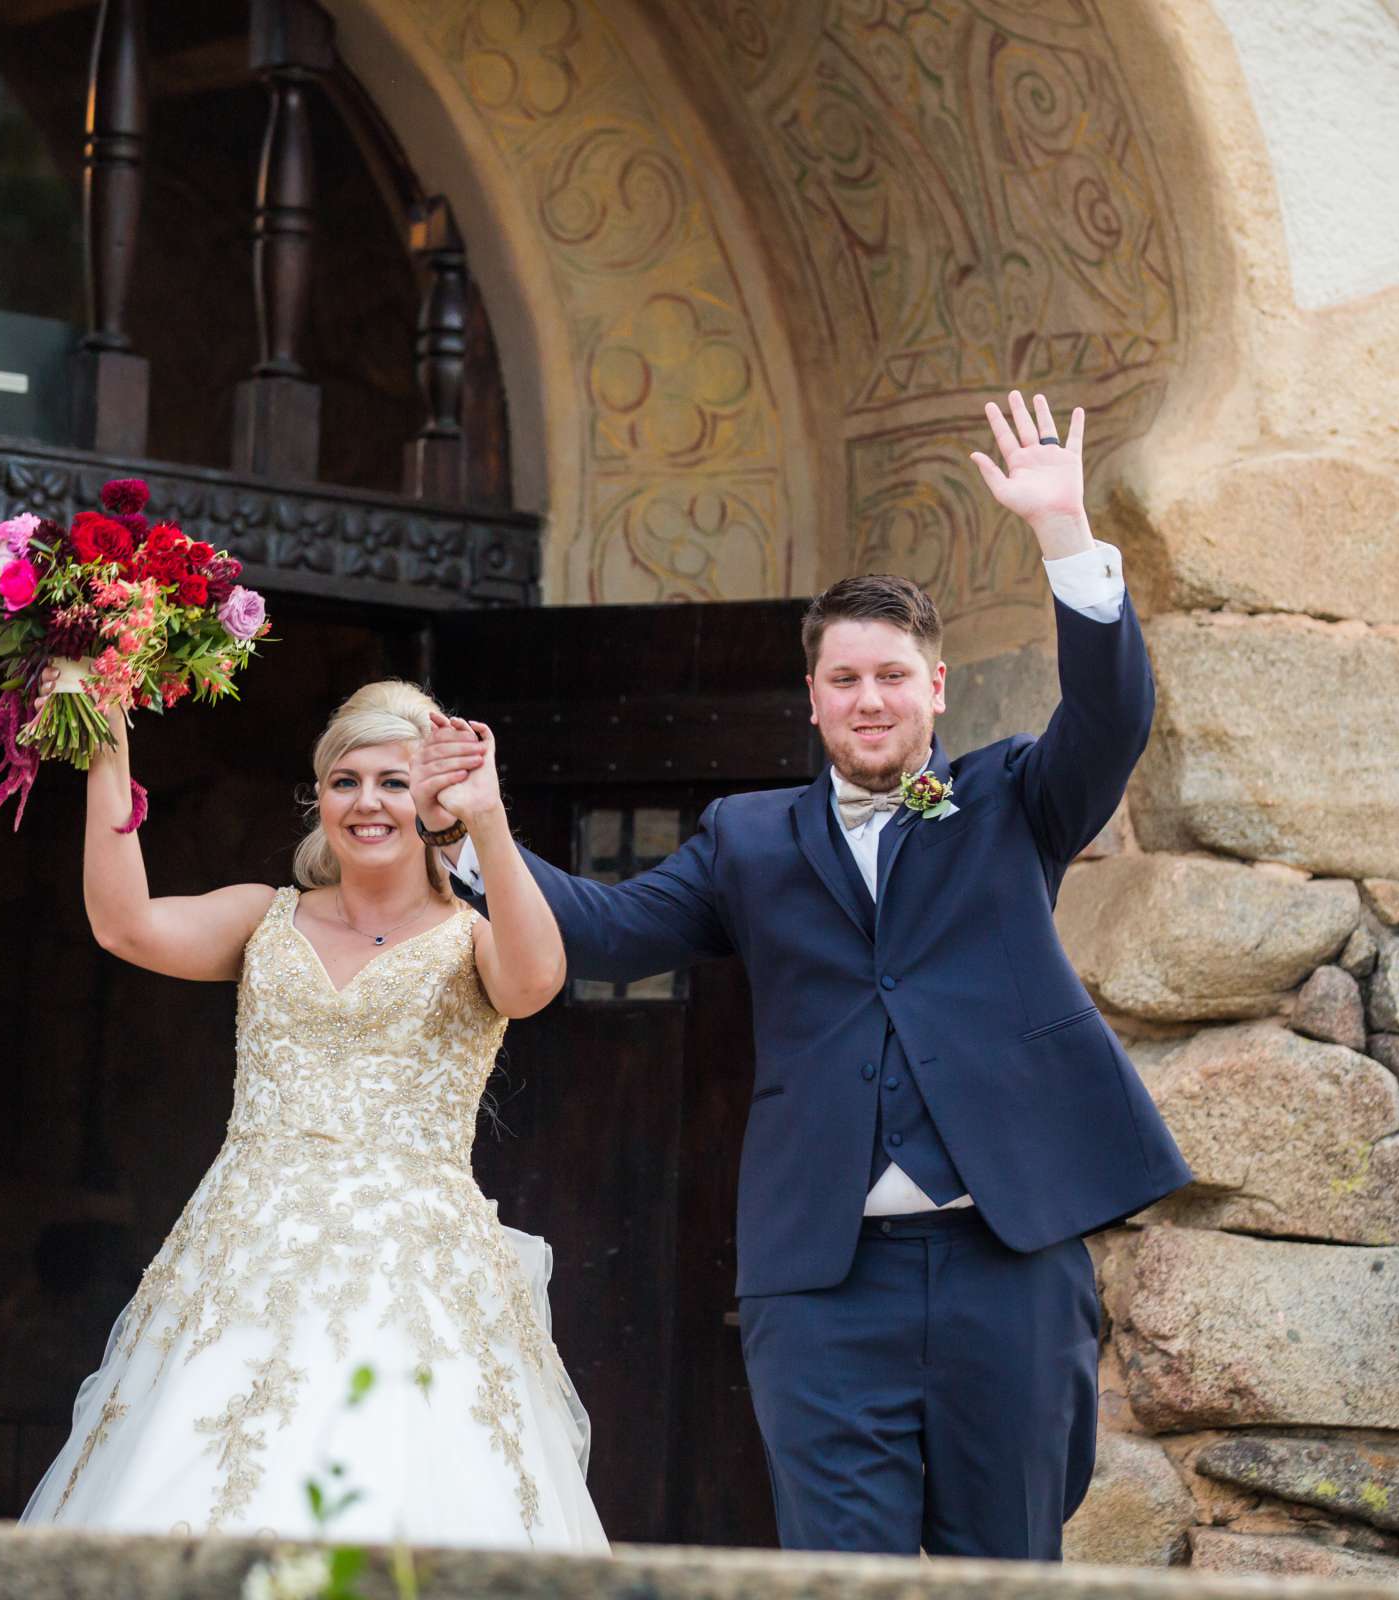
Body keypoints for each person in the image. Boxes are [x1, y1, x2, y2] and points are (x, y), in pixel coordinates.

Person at [411, 391, 1191, 1560]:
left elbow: (1112, 712)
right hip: (824, 1285)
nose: (867, 699)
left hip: (1007, 1268)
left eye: (890, 676)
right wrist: (478, 835)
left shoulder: (1015, 798)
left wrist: (1064, 536)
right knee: (838, 1578)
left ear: (937, 686)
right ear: (813, 698)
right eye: (843, 681)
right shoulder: (748, 837)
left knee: (1009, 1574)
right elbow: (610, 932)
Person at [20, 680, 607, 1550]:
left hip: (415, 1277)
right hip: (248, 1259)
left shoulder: (470, 937)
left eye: (394, 782)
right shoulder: (264, 917)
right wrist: (108, 742)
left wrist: (487, 820)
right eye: (344, 781)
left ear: (431, 803)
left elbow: (536, 982)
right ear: (319, 798)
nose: (366, 802)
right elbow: (125, 925)